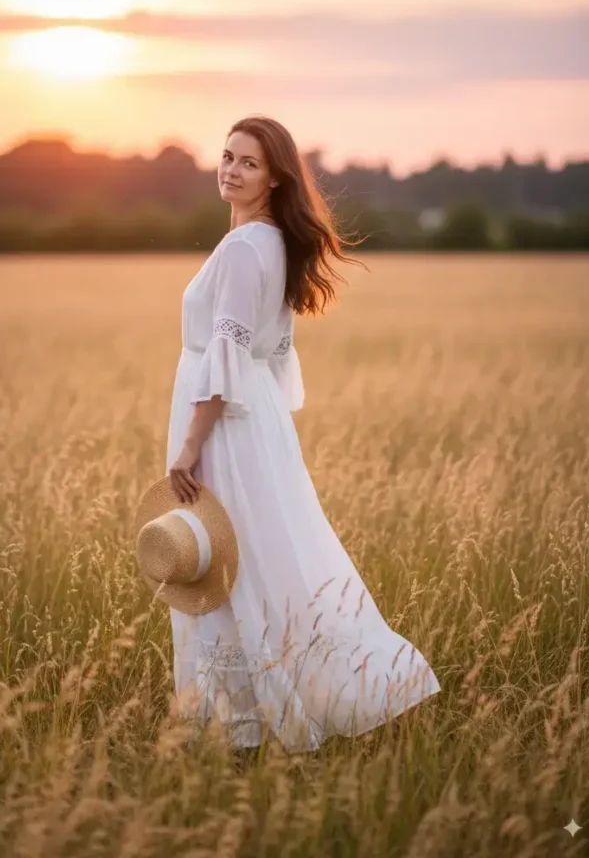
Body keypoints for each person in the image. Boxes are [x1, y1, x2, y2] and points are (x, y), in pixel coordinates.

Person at [165, 115, 440, 752]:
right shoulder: (269, 242)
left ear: (275, 178)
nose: (231, 170)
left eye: (249, 163)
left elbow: (226, 353)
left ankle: (241, 723)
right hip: (252, 416)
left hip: (224, 424)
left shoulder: (244, 248)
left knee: (227, 566)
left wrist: (190, 445)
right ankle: (258, 710)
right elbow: (262, 354)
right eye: (227, 156)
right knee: (265, 557)